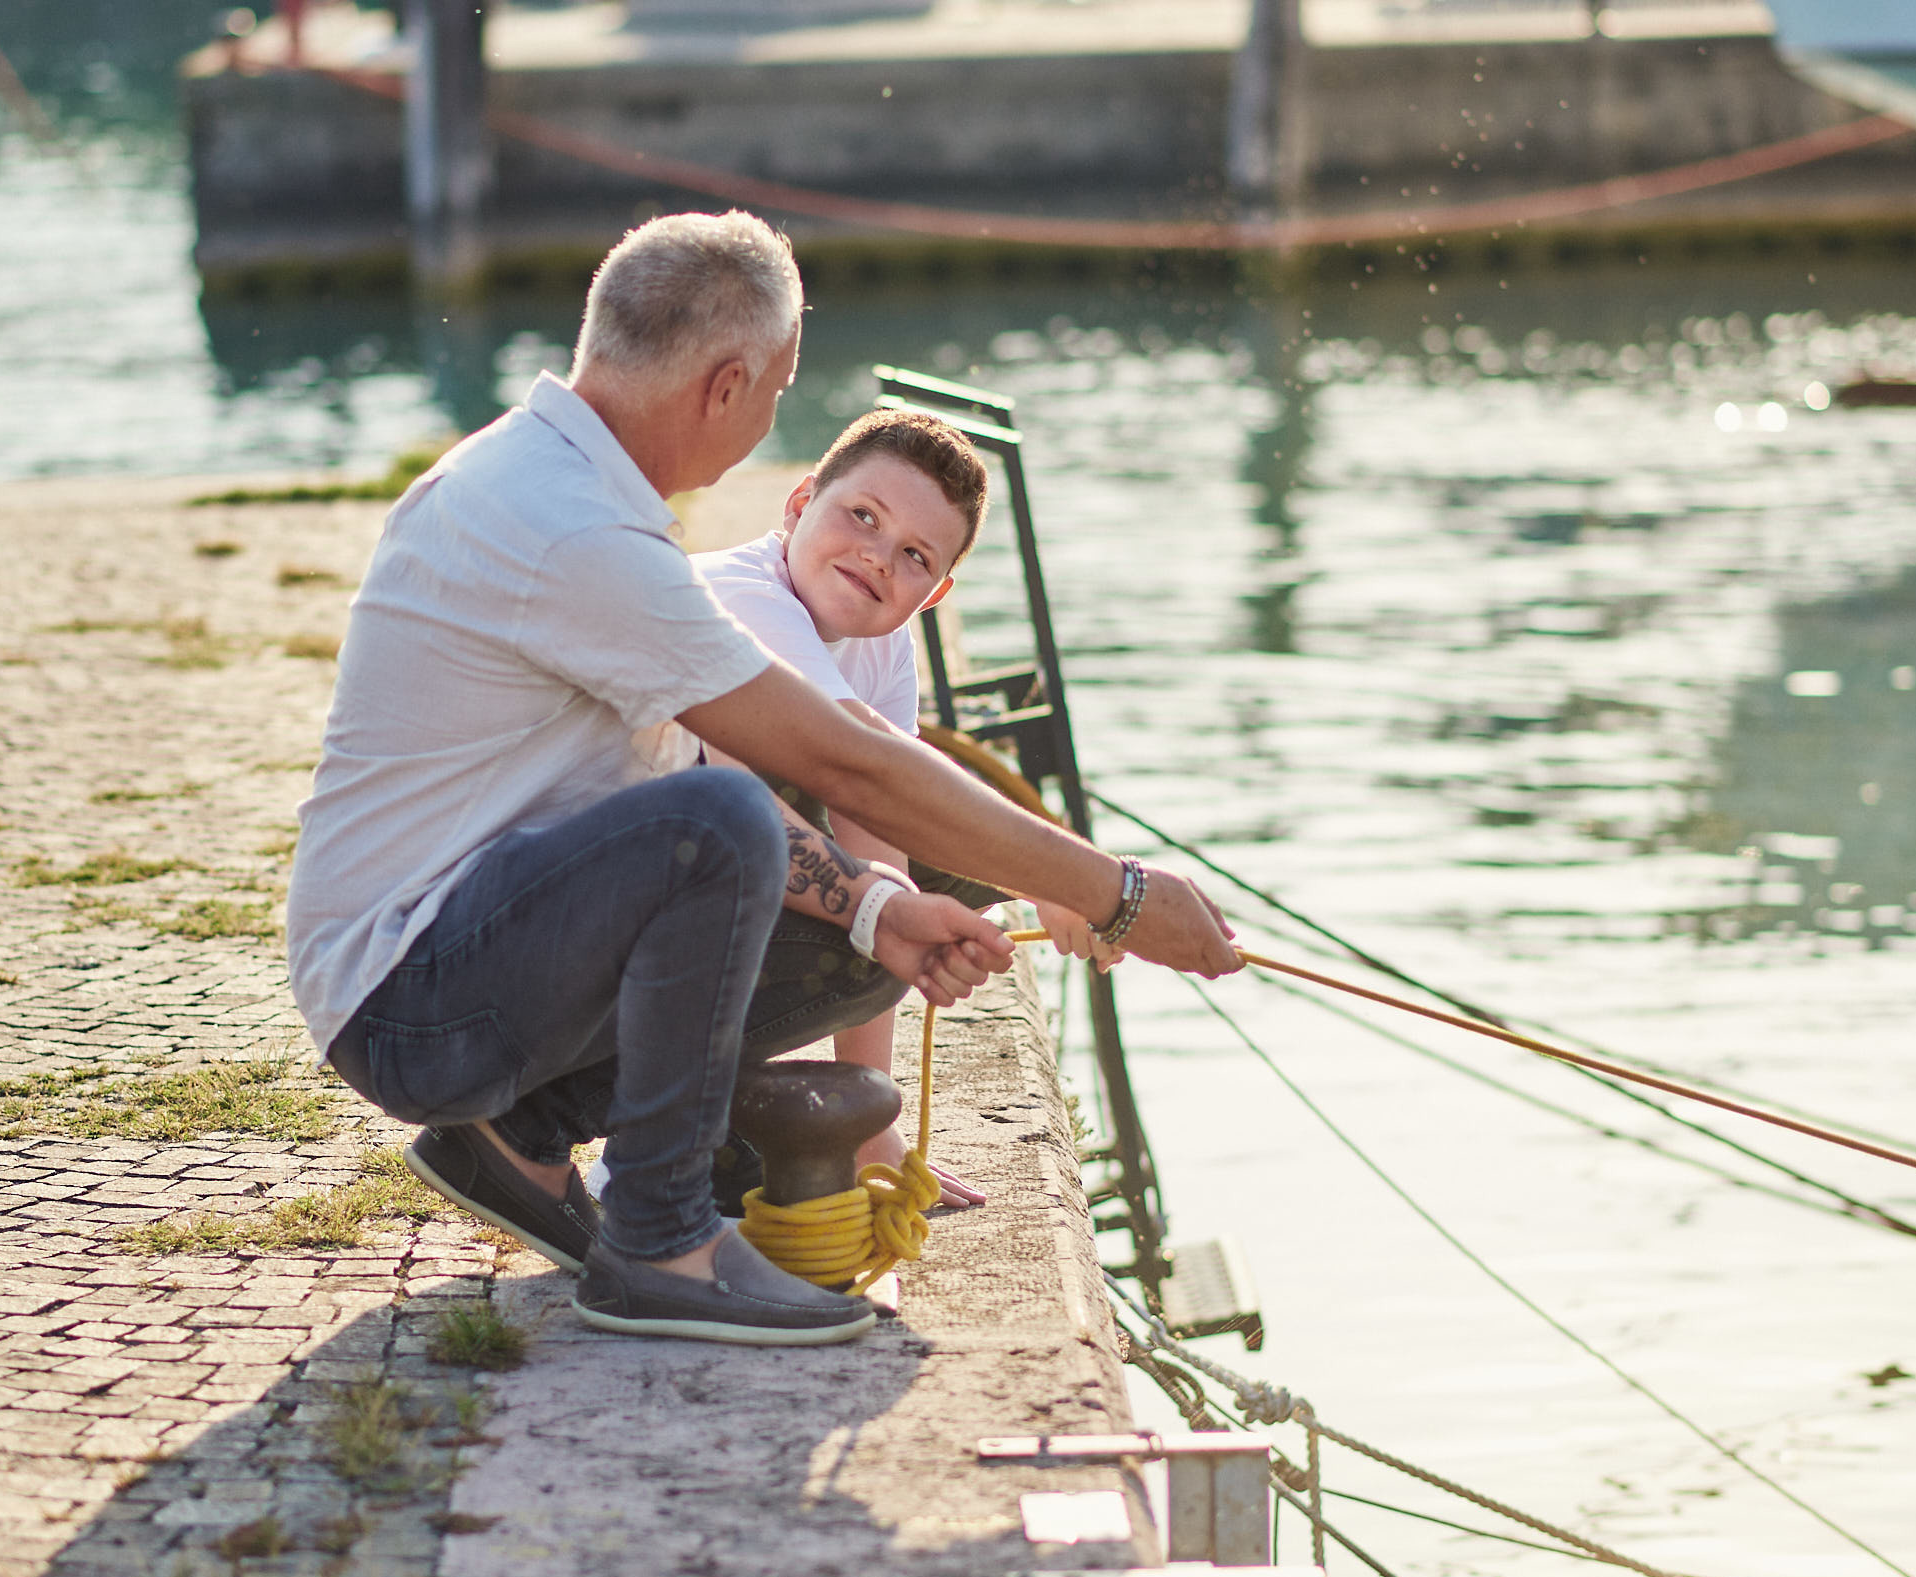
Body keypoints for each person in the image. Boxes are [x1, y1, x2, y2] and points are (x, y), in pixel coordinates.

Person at [286, 209, 1241, 1350]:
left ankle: (519, 1136)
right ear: (728, 386)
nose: (772, 418)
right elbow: (834, 762)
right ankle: (661, 1243)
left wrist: (877, 909)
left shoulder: (554, 484)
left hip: (450, 966)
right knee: (724, 819)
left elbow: (697, 779)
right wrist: (1113, 892)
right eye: (779, 391)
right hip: (411, 1001)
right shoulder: (570, 529)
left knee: (824, 899)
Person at [681, 405, 1120, 1212]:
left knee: (926, 885)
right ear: (799, 502)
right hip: (580, 935)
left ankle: (789, 1122)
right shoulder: (736, 597)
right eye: (862, 515)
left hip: (686, 891)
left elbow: (883, 836)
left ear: (936, 592)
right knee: (905, 901)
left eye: (914, 555)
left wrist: (871, 1123)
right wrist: (1067, 881)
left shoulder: (882, 641)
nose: (877, 557)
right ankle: (673, 1118)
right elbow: (849, 781)